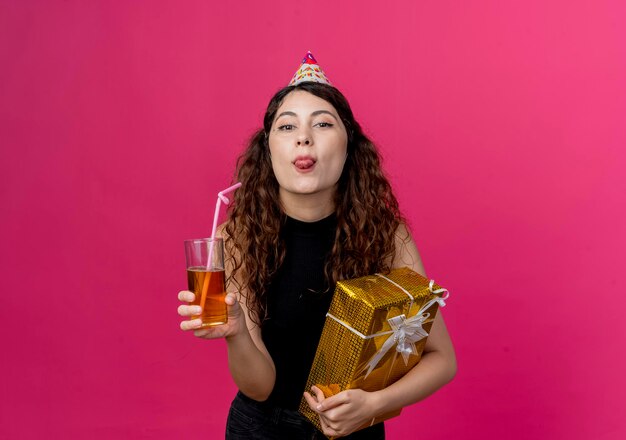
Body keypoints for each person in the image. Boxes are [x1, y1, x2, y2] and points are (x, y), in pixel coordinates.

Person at [177, 52, 457, 439]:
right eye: (286, 126)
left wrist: (372, 406)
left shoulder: (386, 234)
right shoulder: (238, 236)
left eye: (323, 123)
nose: (303, 137)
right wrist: (237, 332)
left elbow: (442, 359)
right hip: (261, 429)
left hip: (355, 428)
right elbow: (259, 387)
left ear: (349, 145)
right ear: (268, 149)